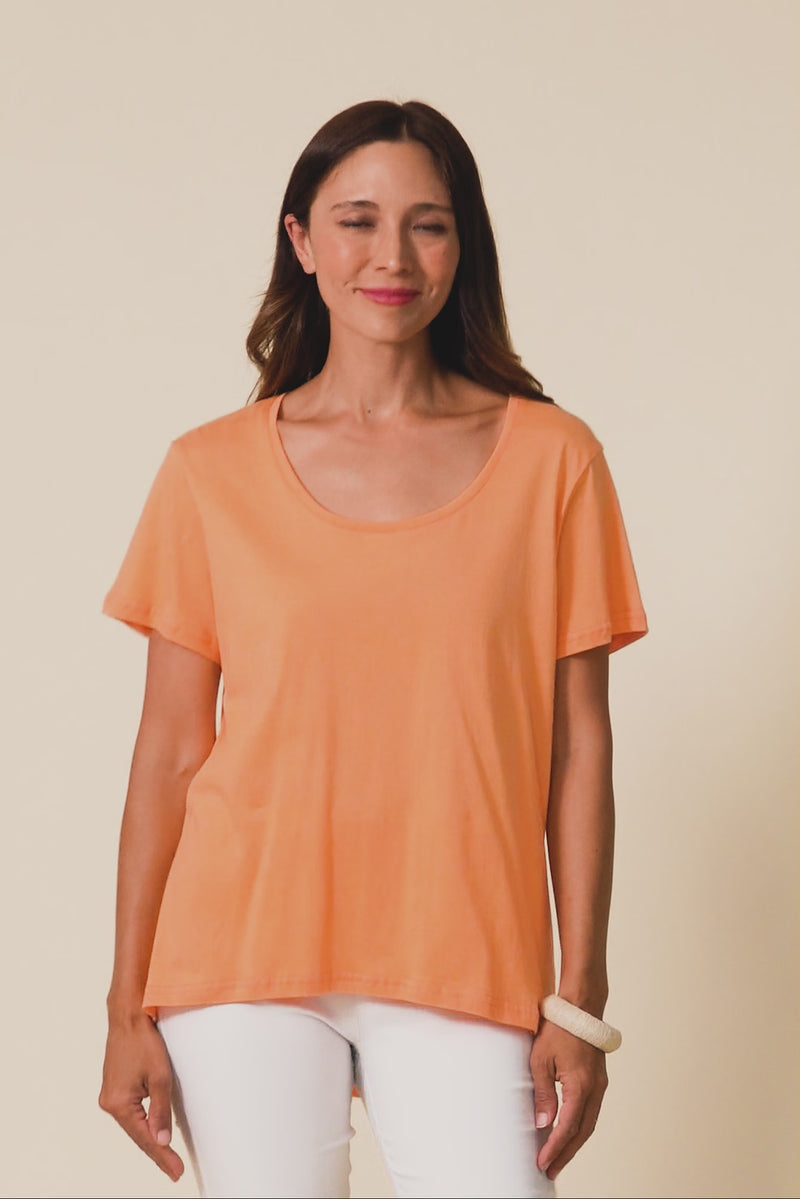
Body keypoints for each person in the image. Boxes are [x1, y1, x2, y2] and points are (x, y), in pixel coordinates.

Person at [98, 98, 648, 1199]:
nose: (391, 255)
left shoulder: (553, 460)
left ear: (462, 244)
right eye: (356, 220)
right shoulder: (210, 471)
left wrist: (578, 1001)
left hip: (467, 951)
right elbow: (169, 752)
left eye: (427, 224)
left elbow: (577, 749)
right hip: (239, 955)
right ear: (301, 241)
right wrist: (124, 1009)